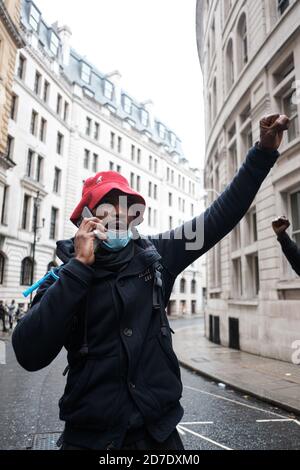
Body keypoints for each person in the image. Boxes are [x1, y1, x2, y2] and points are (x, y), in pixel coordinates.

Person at [12, 114, 289, 450]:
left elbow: (220, 215)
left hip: (159, 436)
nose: (120, 215)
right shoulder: (63, 277)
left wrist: (262, 153)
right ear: (86, 219)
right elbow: (29, 353)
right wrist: (79, 270)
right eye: (107, 208)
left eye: (127, 208)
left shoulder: (158, 254)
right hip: (90, 440)